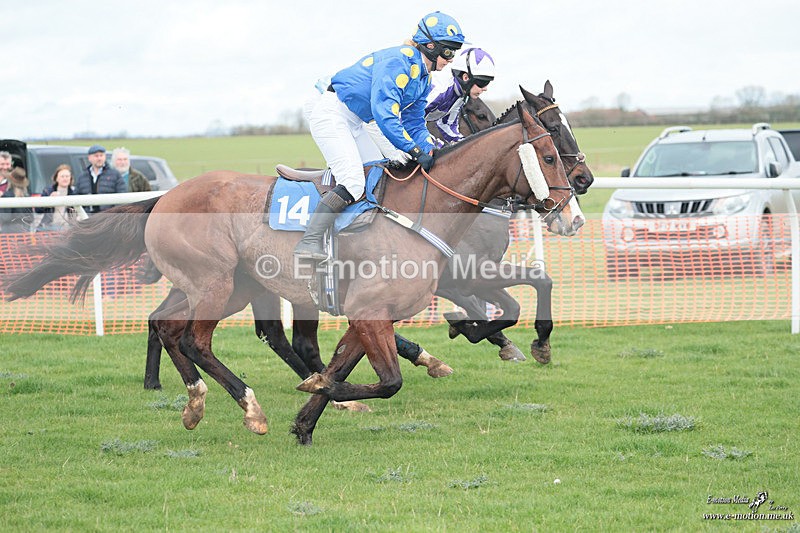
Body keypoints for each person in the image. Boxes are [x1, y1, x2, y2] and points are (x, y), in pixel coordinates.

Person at [294, 11, 466, 261]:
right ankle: (308, 241)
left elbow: (414, 122)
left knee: (380, 174)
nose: (451, 59)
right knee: (353, 182)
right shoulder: (400, 60)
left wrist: (428, 148)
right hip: (332, 114)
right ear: (431, 46)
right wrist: (413, 151)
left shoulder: (423, 79)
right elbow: (384, 114)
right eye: (449, 52)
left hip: (356, 120)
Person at [425, 47, 495, 144]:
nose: (485, 88)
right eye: (482, 82)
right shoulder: (441, 91)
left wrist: (464, 144)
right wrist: (433, 143)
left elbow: (447, 125)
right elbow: (408, 120)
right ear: (465, 77)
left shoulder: (459, 96)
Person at [74, 145, 126, 213]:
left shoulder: (115, 175)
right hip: (87, 217)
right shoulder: (82, 177)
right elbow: (75, 196)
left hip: (107, 217)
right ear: (89, 158)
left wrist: (114, 214)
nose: (99, 158)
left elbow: (122, 196)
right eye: (96, 156)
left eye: (101, 155)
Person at [36, 164, 77, 231]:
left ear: (70, 178)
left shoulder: (74, 192)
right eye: (62, 176)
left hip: (67, 229)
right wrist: (49, 201)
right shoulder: (48, 191)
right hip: (49, 227)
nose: (65, 178)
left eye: (67, 176)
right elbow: (38, 210)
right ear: (56, 178)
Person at [0, 167, 33, 233]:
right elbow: (31, 218)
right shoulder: (27, 196)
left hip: (9, 235)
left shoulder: (7, 196)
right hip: (25, 233)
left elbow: (4, 217)